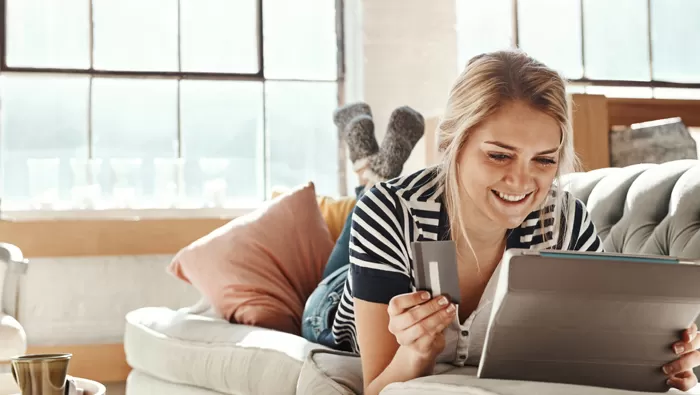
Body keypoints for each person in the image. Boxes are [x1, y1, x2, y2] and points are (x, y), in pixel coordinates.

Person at [302, 50, 700, 394]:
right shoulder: (388, 213)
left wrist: (658, 362)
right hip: (334, 306)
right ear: (451, 147)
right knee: (370, 205)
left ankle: (373, 173)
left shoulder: (565, 223)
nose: (522, 182)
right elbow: (377, 388)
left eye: (544, 160)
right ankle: (372, 180)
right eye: (499, 155)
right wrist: (415, 351)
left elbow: (592, 357)